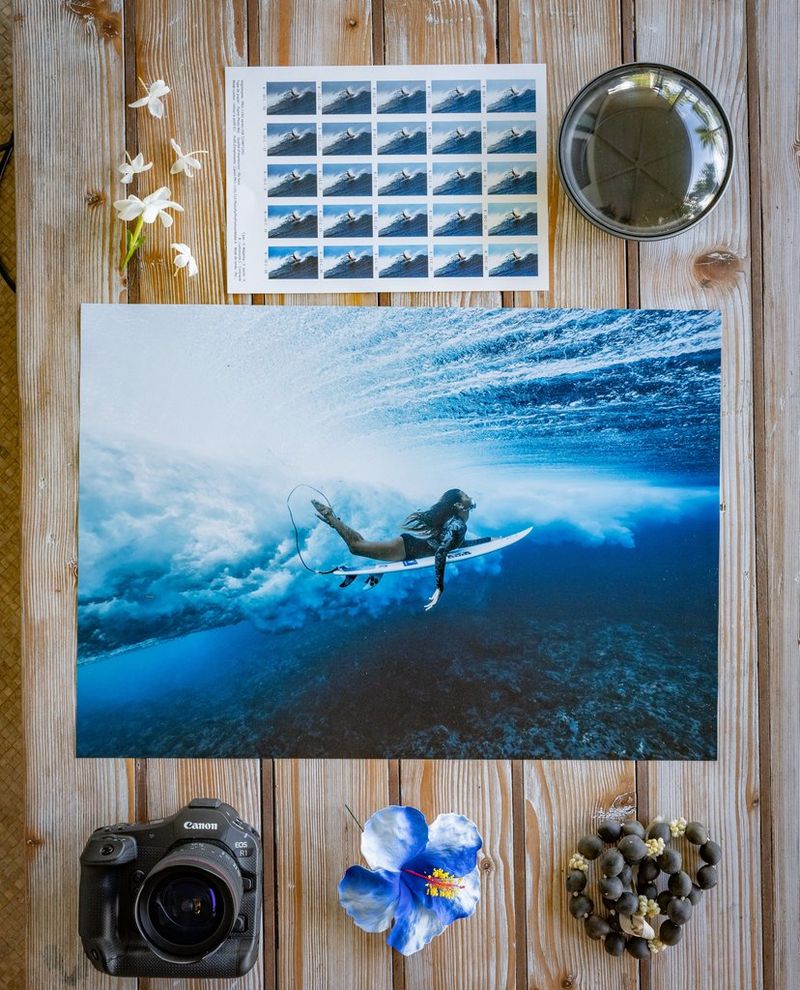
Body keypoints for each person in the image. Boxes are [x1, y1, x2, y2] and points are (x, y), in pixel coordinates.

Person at [311, 489, 477, 611]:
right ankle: (330, 515)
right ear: (458, 504)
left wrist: (488, 540)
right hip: (407, 549)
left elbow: (455, 544)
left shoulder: (456, 522)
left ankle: (337, 523)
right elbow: (442, 551)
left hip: (411, 548)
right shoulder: (458, 525)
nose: (469, 497)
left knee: (361, 543)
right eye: (465, 496)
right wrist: (440, 587)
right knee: (356, 547)